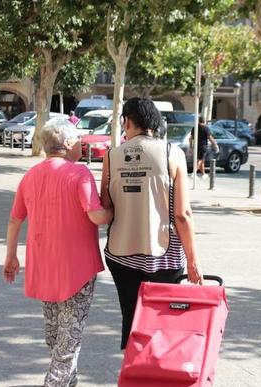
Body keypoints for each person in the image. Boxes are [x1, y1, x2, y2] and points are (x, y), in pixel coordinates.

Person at [3, 119, 113, 387]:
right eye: (77, 139)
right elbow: (97, 216)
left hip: (43, 266)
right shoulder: (79, 173)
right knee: (66, 344)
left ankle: (68, 381)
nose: (80, 144)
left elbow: (15, 220)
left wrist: (11, 256)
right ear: (66, 144)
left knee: (56, 338)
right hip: (76, 269)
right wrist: (117, 211)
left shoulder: (30, 176)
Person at [102, 97, 203, 350]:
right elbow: (182, 214)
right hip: (165, 258)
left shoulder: (112, 156)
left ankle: (133, 373)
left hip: (121, 255)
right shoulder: (173, 153)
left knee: (131, 320)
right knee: (161, 324)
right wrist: (193, 260)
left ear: (127, 121)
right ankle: (156, 372)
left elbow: (106, 207)